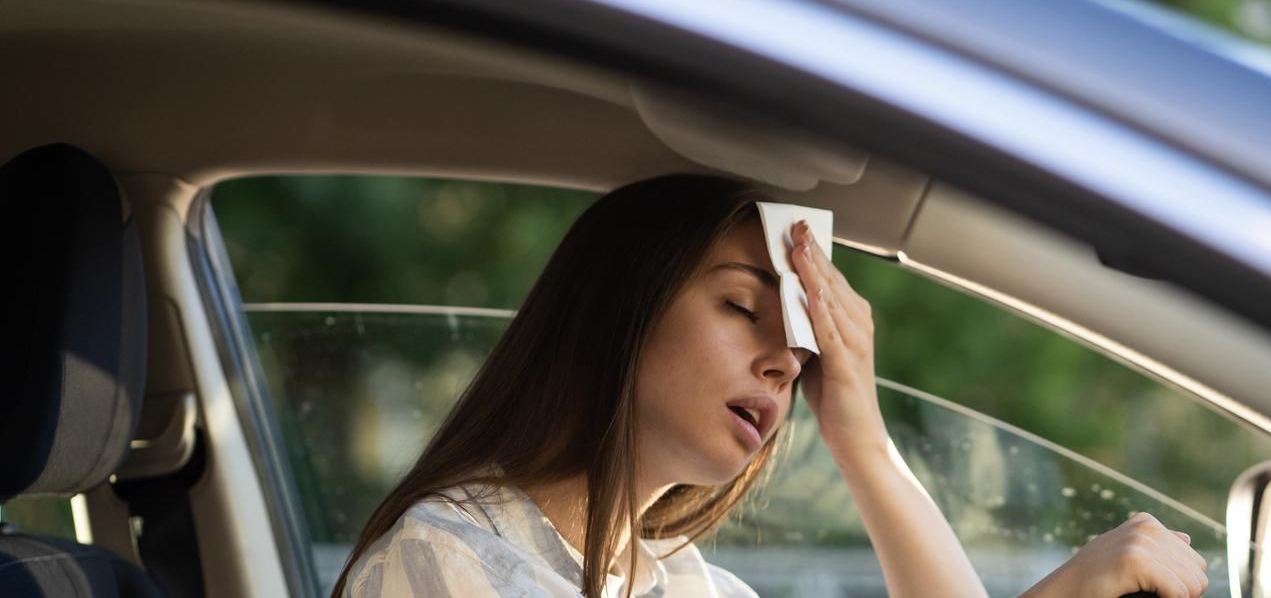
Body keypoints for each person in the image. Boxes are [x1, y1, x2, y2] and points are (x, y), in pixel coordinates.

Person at [333, 173, 1209, 598]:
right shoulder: (446, 559)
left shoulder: (688, 585)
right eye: (741, 306)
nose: (788, 361)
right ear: (621, 307)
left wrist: (860, 437)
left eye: (799, 343)